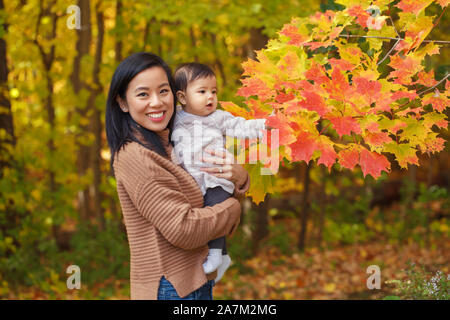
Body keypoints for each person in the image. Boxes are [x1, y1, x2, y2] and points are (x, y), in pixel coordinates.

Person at [105, 52, 250, 300]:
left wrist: (239, 179)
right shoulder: (136, 156)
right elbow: (184, 229)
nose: (157, 102)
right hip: (170, 288)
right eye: (143, 94)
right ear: (123, 103)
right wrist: (233, 208)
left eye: (163, 91)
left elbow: (207, 199)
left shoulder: (172, 144)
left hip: (192, 281)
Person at [171, 63, 266, 283]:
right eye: (202, 91)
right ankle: (223, 257)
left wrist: (264, 125)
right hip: (191, 181)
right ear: (183, 98)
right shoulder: (175, 118)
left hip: (216, 176)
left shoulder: (219, 117)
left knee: (217, 210)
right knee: (200, 218)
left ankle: (216, 254)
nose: (210, 97)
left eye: (213, 91)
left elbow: (241, 127)